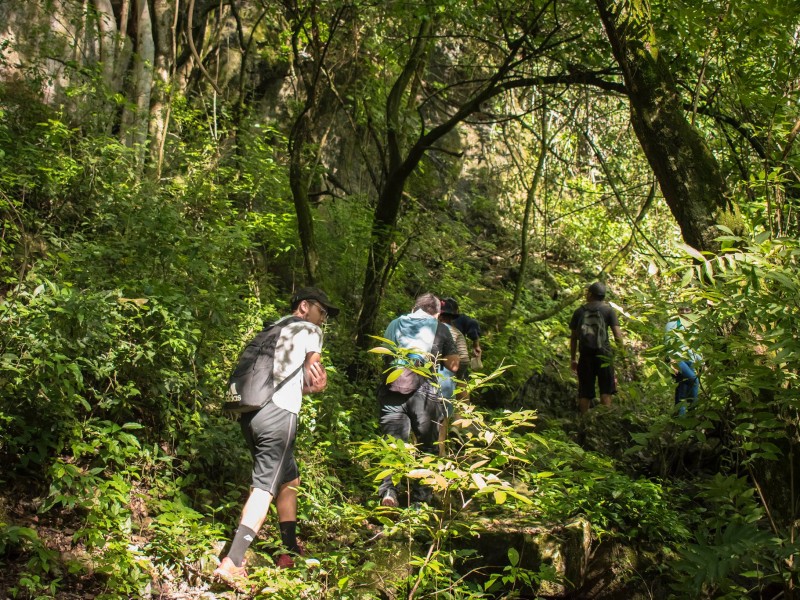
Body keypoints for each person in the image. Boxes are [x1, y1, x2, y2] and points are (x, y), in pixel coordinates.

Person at [213, 287, 339, 587]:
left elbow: (288, 382)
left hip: (251, 413)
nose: (324, 319)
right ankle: (233, 560)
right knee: (264, 487)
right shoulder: (308, 329)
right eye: (322, 311)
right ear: (305, 307)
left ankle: (288, 550)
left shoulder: (274, 329)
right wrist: (319, 382)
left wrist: (309, 389)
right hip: (278, 416)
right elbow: (313, 367)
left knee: (289, 479)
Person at [377, 292, 459, 507]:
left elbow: (385, 355)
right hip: (425, 395)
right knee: (427, 447)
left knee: (393, 445)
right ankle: (419, 501)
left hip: (392, 391)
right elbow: (454, 365)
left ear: (415, 307)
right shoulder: (441, 329)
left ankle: (388, 493)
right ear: (437, 312)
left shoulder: (395, 324)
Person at [569, 281, 624, 414]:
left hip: (585, 355)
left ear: (591, 295)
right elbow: (617, 335)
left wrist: (573, 358)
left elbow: (574, 338)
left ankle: (583, 423)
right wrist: (623, 356)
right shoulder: (608, 310)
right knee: (606, 389)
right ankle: (604, 424)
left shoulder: (579, 312)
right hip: (604, 354)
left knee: (585, 392)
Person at [665, 306, 701, 415]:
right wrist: (672, 361)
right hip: (677, 359)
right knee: (694, 381)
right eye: (681, 309)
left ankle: (681, 420)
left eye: (687, 309)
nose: (684, 312)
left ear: (691, 311)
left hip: (690, 360)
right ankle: (691, 414)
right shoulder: (671, 325)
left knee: (683, 389)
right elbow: (668, 342)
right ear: (678, 311)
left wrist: (701, 361)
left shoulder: (694, 327)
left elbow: (696, 346)